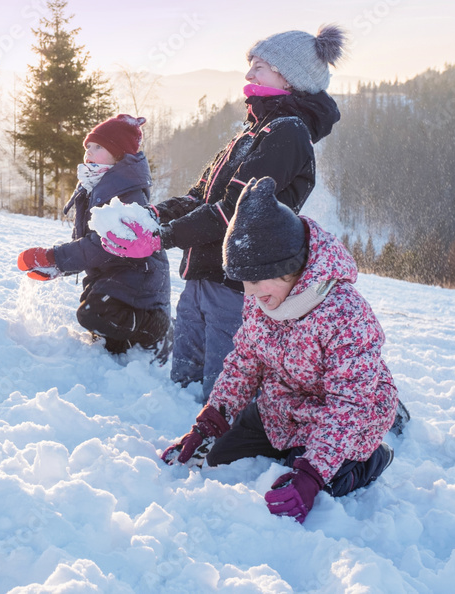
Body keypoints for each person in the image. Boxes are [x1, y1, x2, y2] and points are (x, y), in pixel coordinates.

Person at [100, 24, 346, 400]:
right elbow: (200, 196)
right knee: (182, 386)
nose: (249, 74)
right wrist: (149, 217)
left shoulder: (286, 133)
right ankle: (181, 444)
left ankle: (221, 454)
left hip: (237, 286)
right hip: (202, 276)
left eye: (260, 65)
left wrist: (161, 239)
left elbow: (235, 210)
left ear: (288, 76)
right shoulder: (252, 130)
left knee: (221, 392)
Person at [161, 177, 399, 524]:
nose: (251, 293)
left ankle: (373, 458)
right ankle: (294, 451)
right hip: (283, 405)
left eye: (257, 281)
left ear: (287, 268)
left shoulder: (345, 313)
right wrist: (207, 426)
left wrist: (311, 474)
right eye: (244, 282)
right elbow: (243, 364)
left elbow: (347, 404)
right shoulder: (263, 301)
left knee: (323, 483)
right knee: (219, 457)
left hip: (347, 415)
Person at [17, 114, 172, 360]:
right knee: (105, 335)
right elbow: (85, 238)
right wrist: (60, 268)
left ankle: (158, 325)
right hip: (113, 274)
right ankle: (129, 341)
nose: (89, 151)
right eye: (88, 146)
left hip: (138, 277)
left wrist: (54, 257)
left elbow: (102, 246)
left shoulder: (126, 194)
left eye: (98, 146)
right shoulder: (94, 185)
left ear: (119, 153)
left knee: (93, 314)